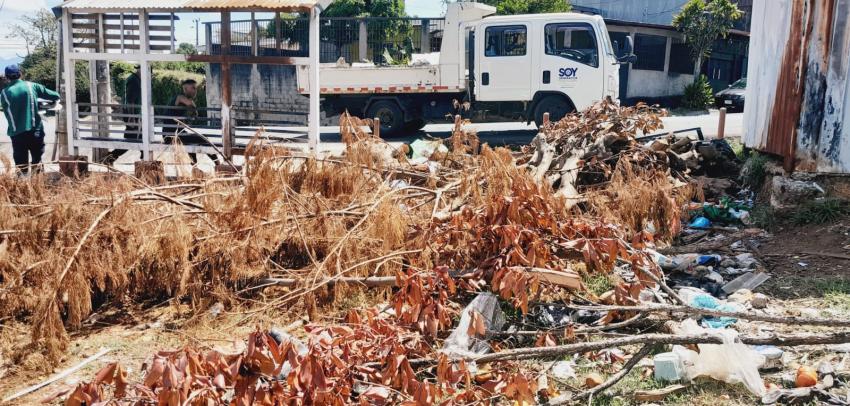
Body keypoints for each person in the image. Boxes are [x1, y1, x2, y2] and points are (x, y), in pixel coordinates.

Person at [0, 65, 60, 175]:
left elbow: (6, 108)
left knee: (21, 167)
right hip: (35, 131)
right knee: (37, 163)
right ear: (20, 74)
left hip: (17, 134)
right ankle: (38, 187)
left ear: (7, 77)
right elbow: (55, 96)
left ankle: (23, 189)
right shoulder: (33, 86)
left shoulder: (4, 93)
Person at [162, 79, 219, 166]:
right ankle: (217, 163)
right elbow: (191, 105)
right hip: (172, 136)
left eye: (195, 88)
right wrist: (194, 111)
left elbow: (192, 111)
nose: (195, 91)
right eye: (193, 88)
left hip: (177, 133)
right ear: (185, 89)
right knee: (203, 139)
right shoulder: (179, 97)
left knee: (192, 140)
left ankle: (194, 166)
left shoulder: (179, 99)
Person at [102, 65, 143, 165]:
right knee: (132, 139)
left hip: (134, 115)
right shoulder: (134, 80)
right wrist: (132, 117)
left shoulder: (134, 79)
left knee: (139, 138)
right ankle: (110, 158)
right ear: (140, 69)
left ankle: (145, 159)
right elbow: (130, 100)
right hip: (133, 116)